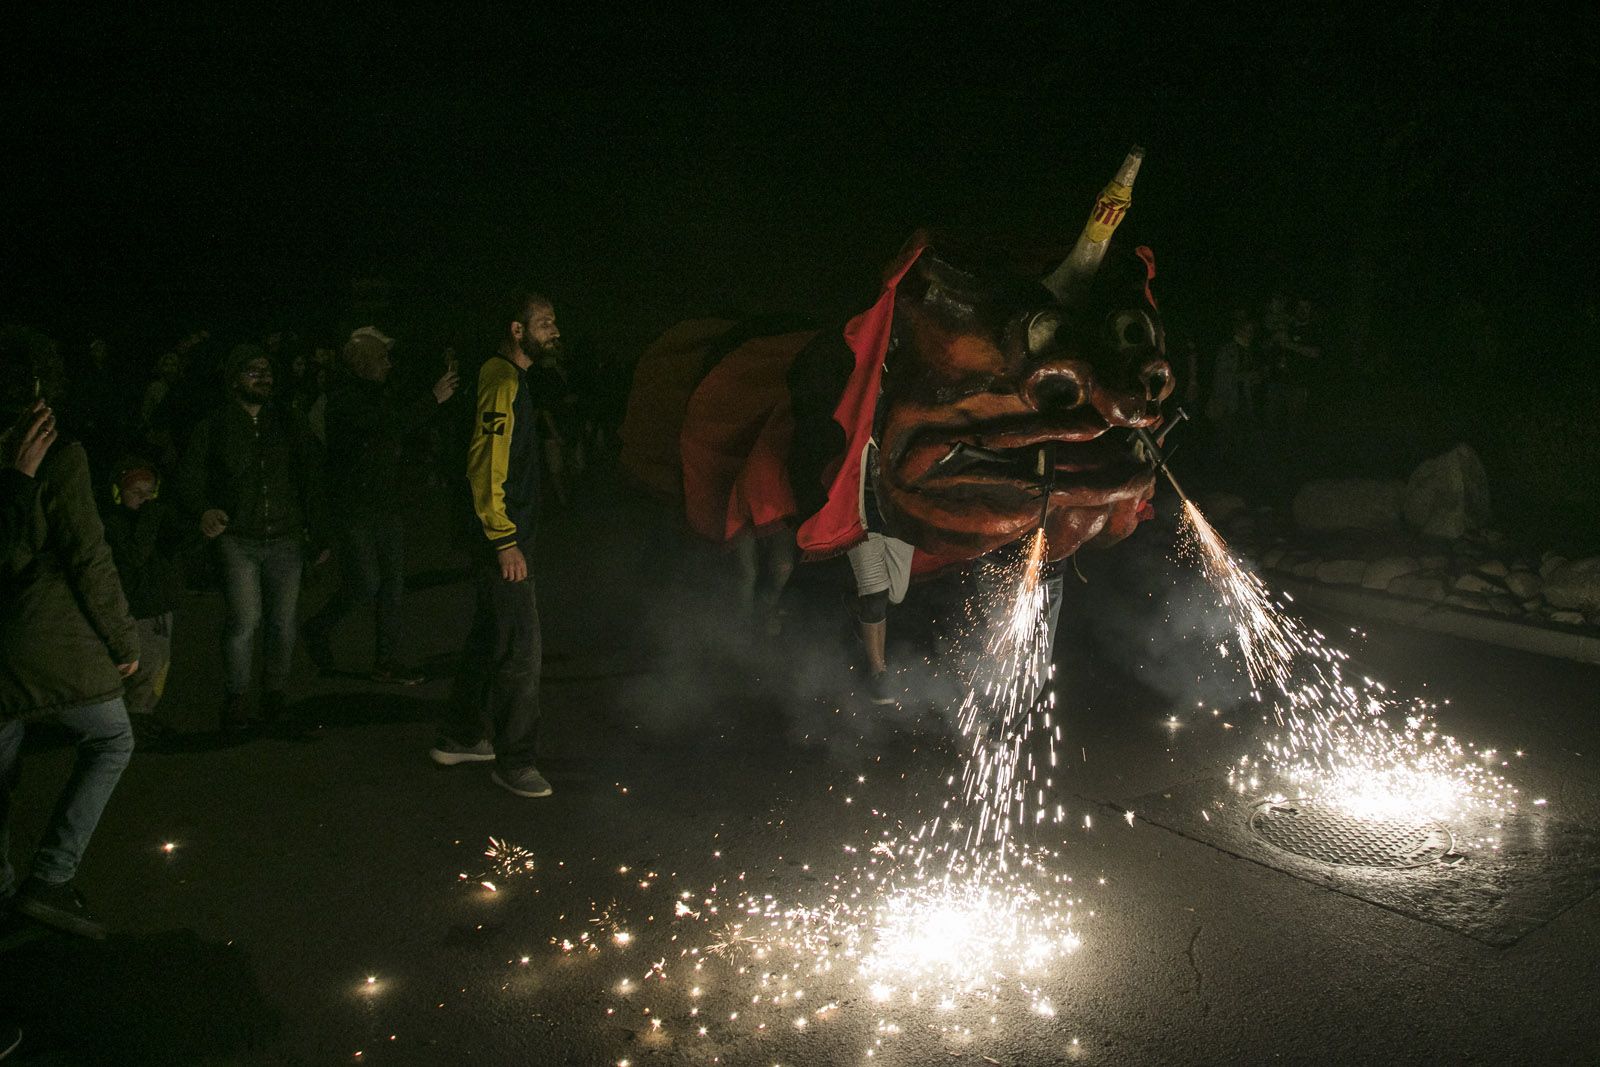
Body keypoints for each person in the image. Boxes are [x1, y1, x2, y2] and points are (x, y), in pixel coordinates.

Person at [1, 343, 139, 941]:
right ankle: (50, 879)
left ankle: (6, 899)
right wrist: (122, 639)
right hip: (39, 637)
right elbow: (88, 555)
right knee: (111, 738)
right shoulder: (56, 456)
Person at [428, 291, 556, 798]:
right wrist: (504, 540)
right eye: (544, 323)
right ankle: (516, 760)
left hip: (501, 534)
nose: (555, 331)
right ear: (518, 330)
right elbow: (484, 464)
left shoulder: (512, 379)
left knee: (489, 636)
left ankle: (460, 734)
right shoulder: (500, 378)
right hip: (500, 537)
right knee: (523, 650)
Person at [176, 344, 325, 737]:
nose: (264, 377)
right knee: (244, 620)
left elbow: (311, 475)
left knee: (283, 623)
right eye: (252, 370)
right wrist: (204, 511)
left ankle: (275, 694)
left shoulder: (288, 422)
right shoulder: (215, 425)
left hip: (286, 537)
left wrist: (318, 530)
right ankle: (237, 697)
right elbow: (189, 478)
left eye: (267, 370)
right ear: (234, 379)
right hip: (238, 540)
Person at [303, 327, 458, 684]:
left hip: (384, 501)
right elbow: (386, 426)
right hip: (355, 506)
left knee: (393, 585)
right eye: (382, 358)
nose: (389, 364)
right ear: (362, 363)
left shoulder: (376, 392)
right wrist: (431, 400)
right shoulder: (343, 398)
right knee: (365, 584)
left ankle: (386, 660)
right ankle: (318, 627)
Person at [102, 457, 196, 744]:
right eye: (136, 493)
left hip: (159, 605)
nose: (145, 499)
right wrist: (152, 516)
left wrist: (204, 533)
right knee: (140, 664)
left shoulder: (158, 518)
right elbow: (136, 556)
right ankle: (133, 718)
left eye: (150, 492)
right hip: (138, 608)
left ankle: (142, 713)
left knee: (158, 664)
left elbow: (180, 547)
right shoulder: (116, 524)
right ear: (119, 494)